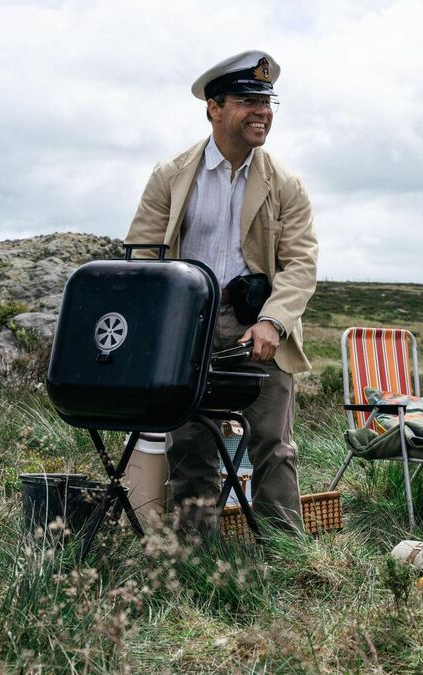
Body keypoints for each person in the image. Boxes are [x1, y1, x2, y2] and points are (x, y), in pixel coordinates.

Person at [125, 50, 318, 535]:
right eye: (247, 99)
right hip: (185, 327)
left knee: (273, 447)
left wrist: (273, 321)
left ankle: (286, 562)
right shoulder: (171, 175)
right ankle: (196, 563)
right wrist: (158, 329)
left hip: (259, 326)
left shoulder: (286, 183)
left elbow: (301, 264)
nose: (262, 111)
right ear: (214, 107)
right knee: (189, 446)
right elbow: (143, 256)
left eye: (267, 100)